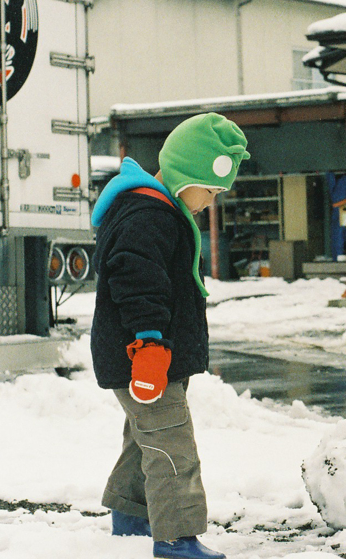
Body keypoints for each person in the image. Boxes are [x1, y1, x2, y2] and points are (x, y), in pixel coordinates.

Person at [89, 113, 250, 559]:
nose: (211, 202)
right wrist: (150, 342)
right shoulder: (149, 215)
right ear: (188, 172)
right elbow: (136, 279)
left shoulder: (157, 210)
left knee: (147, 434)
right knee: (171, 442)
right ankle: (176, 537)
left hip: (149, 350)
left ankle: (131, 512)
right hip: (144, 350)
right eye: (211, 190)